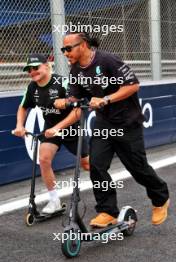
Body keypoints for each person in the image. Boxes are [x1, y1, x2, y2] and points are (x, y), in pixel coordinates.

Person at [54, 31, 169, 227]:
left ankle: (160, 198)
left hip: (127, 122)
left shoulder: (107, 60)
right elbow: (77, 100)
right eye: (62, 49)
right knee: (96, 165)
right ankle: (107, 211)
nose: (65, 53)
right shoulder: (75, 71)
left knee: (138, 168)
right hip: (103, 124)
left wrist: (106, 99)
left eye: (68, 48)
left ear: (82, 45)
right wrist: (66, 102)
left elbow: (133, 86)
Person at [13, 53, 89, 214]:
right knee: (44, 159)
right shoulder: (32, 87)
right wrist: (20, 125)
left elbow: (77, 111)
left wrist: (59, 127)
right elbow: (23, 107)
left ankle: (104, 191)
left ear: (47, 66)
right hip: (50, 128)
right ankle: (54, 201)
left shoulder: (63, 82)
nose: (32, 72)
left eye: (36, 68)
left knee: (88, 164)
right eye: (29, 70)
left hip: (72, 127)